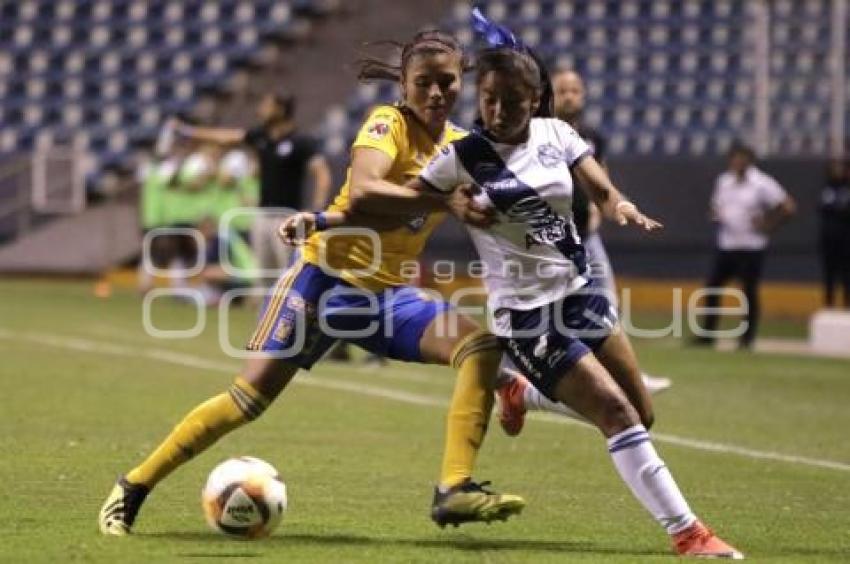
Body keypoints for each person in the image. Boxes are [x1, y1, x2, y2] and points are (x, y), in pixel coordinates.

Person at [98, 30, 524, 537]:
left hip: (384, 296)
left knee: (480, 346)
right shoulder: (386, 124)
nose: (436, 93)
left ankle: (454, 489)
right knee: (245, 401)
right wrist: (443, 202)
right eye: (424, 83)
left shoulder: (461, 148)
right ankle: (132, 488)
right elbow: (365, 192)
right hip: (322, 283)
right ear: (404, 85)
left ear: (463, 84)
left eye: (447, 83)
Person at [327, 41, 743, 558]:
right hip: (525, 317)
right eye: (489, 100)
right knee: (616, 414)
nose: (498, 112)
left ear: (536, 100)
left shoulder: (558, 133)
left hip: (579, 294)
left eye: (512, 101)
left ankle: (523, 395)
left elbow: (599, 186)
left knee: (641, 412)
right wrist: (322, 221)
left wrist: (621, 204)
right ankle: (689, 534)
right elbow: (391, 203)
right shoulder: (461, 158)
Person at [494, 68, 672, 437]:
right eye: (563, 90)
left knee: (603, 302)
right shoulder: (524, 135)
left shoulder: (586, 137)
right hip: (537, 245)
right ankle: (520, 373)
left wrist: (612, 204)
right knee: (531, 314)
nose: (570, 96)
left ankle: (561, 377)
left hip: (582, 237)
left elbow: (601, 181)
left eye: (576, 89)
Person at [170, 92, 333, 283]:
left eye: (266, 105)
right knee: (263, 276)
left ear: (280, 109)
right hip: (262, 216)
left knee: (288, 274)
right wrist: (189, 131)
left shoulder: (301, 142)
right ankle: (266, 312)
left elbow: (322, 174)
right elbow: (226, 137)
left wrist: (315, 210)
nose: (260, 110)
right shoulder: (260, 136)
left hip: (287, 215)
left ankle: (289, 313)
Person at [696, 142, 796, 349]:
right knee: (713, 288)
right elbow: (716, 206)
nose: (737, 162)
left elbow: (787, 206)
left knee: (748, 292)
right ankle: (708, 334)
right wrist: (716, 216)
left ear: (749, 161)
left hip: (751, 246)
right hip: (727, 244)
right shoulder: (724, 181)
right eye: (735, 157)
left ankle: (746, 338)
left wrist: (768, 224)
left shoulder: (762, 183)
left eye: (742, 158)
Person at [819, 158, 850, 308]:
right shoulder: (827, 189)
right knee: (829, 274)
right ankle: (828, 304)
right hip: (829, 238)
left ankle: (847, 304)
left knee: (847, 274)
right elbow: (823, 209)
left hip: (846, 239)